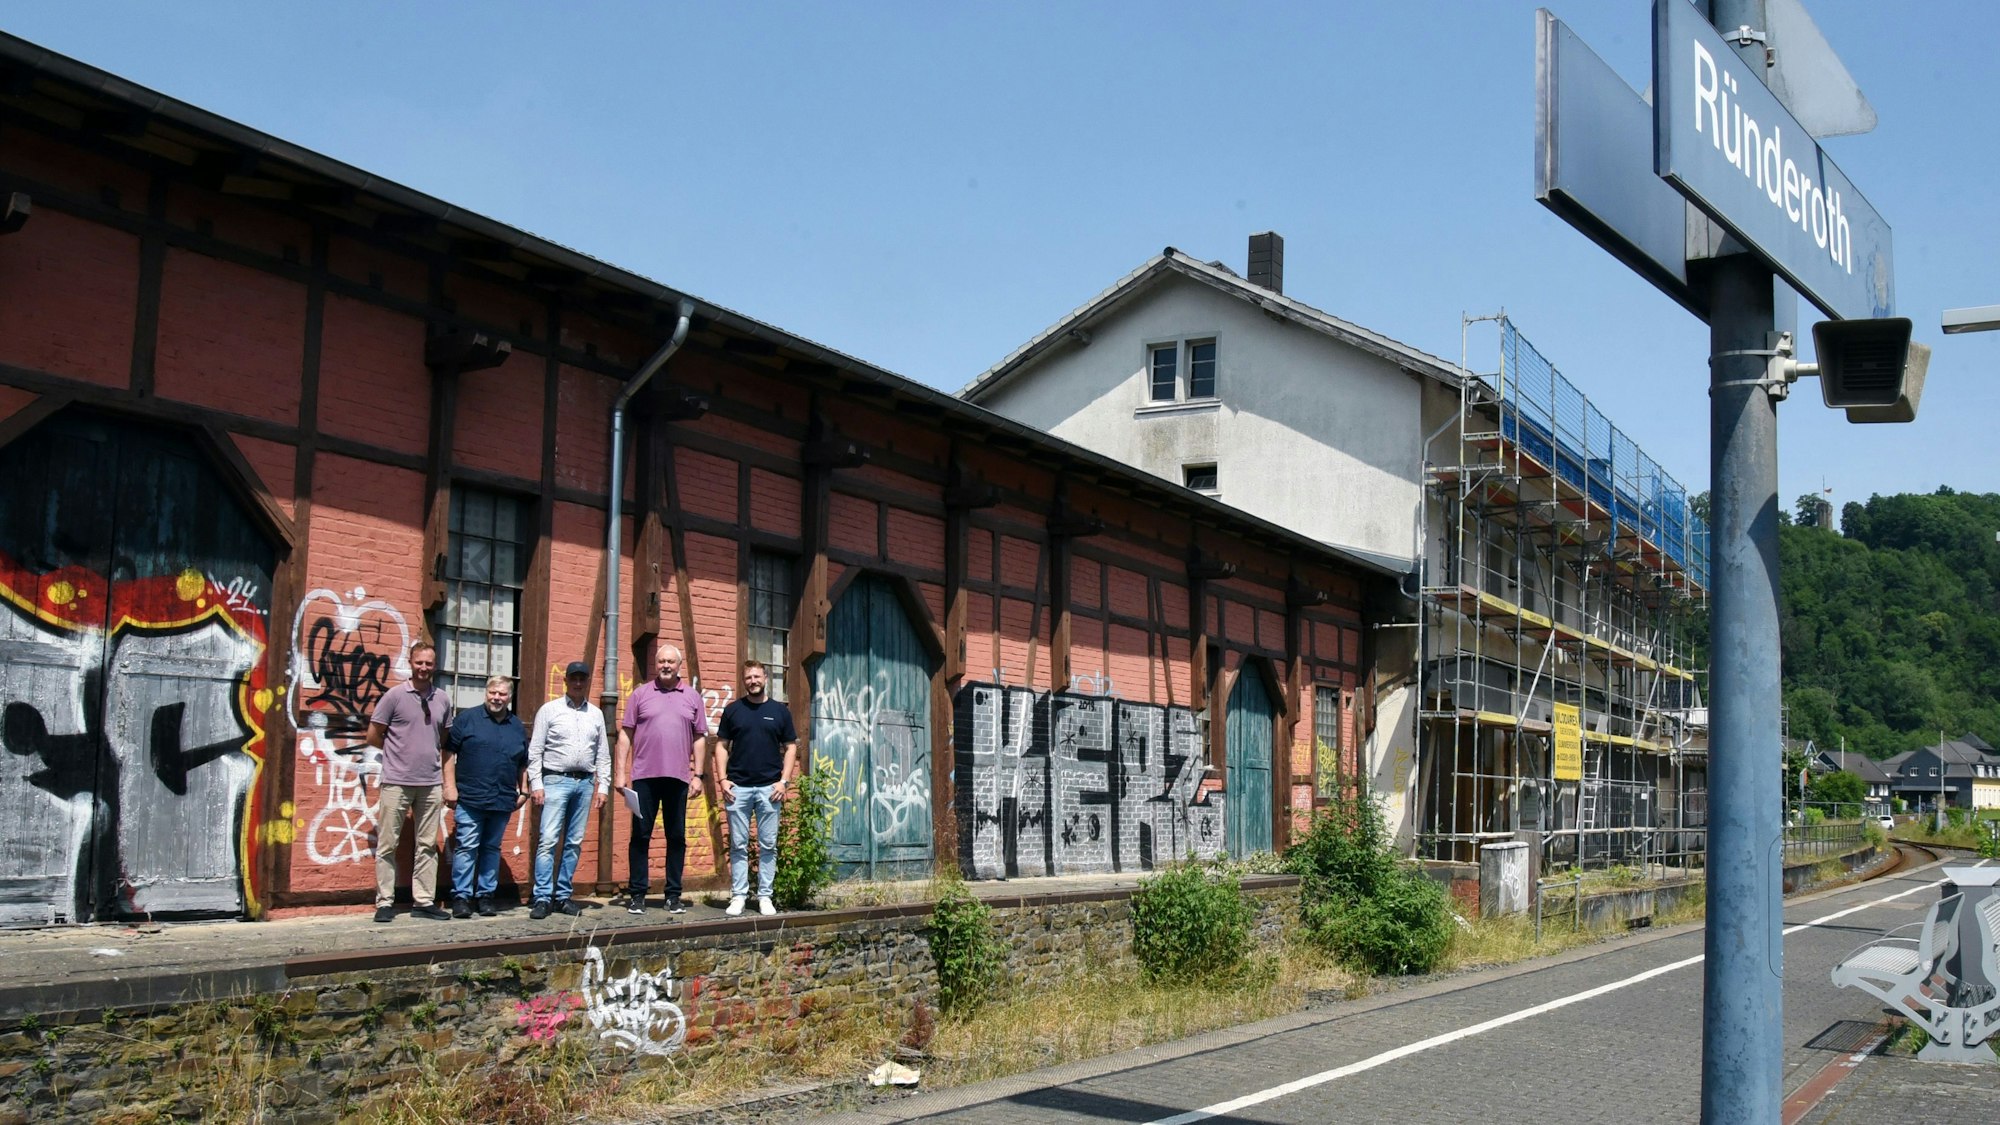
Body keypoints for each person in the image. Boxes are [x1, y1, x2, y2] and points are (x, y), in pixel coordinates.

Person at [615, 644, 710, 916]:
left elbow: (700, 737)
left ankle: (673, 895)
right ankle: (637, 895)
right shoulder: (640, 694)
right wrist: (621, 773)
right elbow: (626, 734)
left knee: (677, 836)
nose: (666, 665)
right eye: (661, 661)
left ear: (680, 665)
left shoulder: (692, 697)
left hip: (678, 778)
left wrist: (698, 775)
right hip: (644, 777)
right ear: (655, 665)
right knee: (641, 836)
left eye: (670, 661)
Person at [366, 640, 455, 923]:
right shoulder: (394, 696)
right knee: (388, 845)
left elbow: (442, 740)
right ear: (410, 662)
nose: (424, 668)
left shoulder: (442, 698)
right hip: (396, 781)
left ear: (434, 665)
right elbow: (373, 735)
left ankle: (424, 900)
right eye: (419, 663)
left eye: (429, 663)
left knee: (427, 844)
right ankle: (385, 902)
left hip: (430, 783)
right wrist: (398, 753)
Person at [713, 659, 797, 917]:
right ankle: (739, 896)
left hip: (769, 789)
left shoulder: (780, 711)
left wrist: (784, 781)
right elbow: (721, 745)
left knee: (768, 845)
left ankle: (765, 897)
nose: (753, 681)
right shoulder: (733, 711)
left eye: (757, 677)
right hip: (737, 788)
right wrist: (723, 779)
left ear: (765, 678)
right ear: (743, 680)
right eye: (748, 677)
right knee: (738, 844)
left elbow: (791, 746)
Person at [528, 661, 610, 918]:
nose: (577, 683)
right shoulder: (549, 710)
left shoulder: (595, 714)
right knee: (548, 840)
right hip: (555, 780)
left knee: (574, 842)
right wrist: (536, 783)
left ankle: (562, 895)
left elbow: (603, 754)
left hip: (584, 783)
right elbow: (535, 750)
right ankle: (542, 896)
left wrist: (603, 785)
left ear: (587, 682)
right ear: (565, 681)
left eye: (582, 679)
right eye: (573, 679)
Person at [442, 674, 529, 917]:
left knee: (491, 848)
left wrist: (524, 790)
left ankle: (485, 896)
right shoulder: (467, 719)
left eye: (502, 694)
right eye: (493, 693)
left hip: (502, 798)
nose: (497, 698)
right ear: (486, 693)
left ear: (510, 697)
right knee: (467, 847)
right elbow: (448, 753)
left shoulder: (516, 726)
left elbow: (523, 762)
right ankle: (461, 897)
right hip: (470, 797)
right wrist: (449, 787)